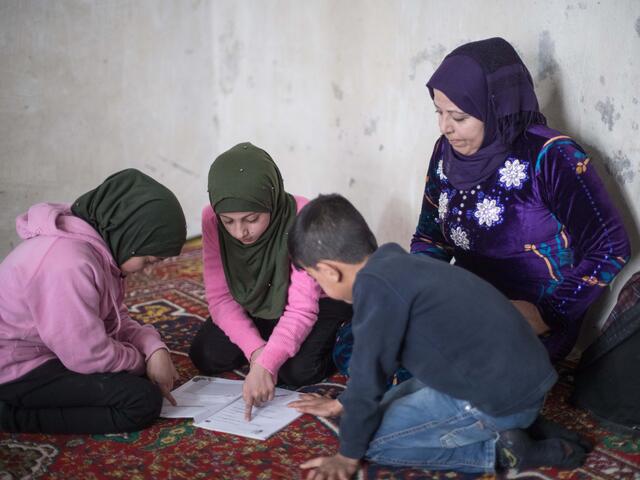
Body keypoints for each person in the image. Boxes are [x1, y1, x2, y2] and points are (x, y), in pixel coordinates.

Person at [287, 194, 588, 479]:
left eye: (315, 279)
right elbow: (371, 384)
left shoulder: (375, 293)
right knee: (375, 410)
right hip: (523, 379)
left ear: (329, 270)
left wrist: (346, 456)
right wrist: (345, 403)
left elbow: (368, 379)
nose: (320, 289)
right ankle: (530, 425)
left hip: (496, 399)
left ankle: (502, 450)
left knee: (371, 441)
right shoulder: (395, 264)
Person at [409, 37, 630, 361]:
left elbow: (611, 245)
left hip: (532, 314)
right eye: (438, 112)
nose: (445, 128)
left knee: (462, 371)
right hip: (465, 299)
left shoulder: (550, 156)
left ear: (496, 107)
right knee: (377, 335)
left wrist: (548, 314)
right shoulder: (446, 153)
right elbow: (430, 237)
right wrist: (416, 291)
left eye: (458, 117)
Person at [0, 169, 186, 434]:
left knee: (134, 375)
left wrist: (154, 348)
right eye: (148, 260)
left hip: (46, 351)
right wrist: (141, 362)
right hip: (14, 371)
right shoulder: (68, 264)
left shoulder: (97, 251)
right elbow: (86, 356)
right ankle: (11, 415)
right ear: (128, 236)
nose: (146, 270)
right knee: (141, 401)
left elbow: (115, 319)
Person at [189, 142, 352, 420]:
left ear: (271, 201)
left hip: (318, 302)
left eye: (251, 219)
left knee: (296, 372)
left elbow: (302, 309)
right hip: (259, 299)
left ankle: (338, 333)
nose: (240, 232)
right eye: (228, 221)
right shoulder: (211, 219)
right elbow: (220, 299)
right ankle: (272, 342)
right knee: (205, 354)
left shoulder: (303, 218)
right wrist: (257, 353)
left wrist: (267, 364)